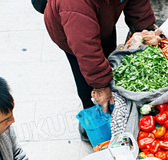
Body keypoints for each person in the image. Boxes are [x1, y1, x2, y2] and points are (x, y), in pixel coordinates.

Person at [43, 0, 156, 139]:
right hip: (71, 32)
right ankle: (92, 124)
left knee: (107, 54)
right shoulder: (74, 5)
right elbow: (86, 50)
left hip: (101, 15)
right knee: (88, 82)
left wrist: (146, 28)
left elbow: (138, 4)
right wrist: (101, 85)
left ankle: (112, 112)